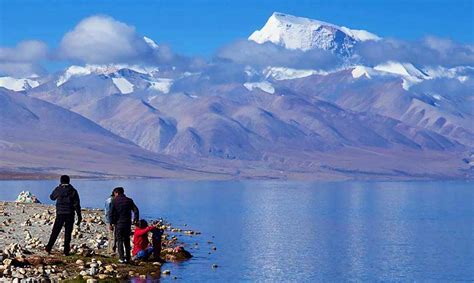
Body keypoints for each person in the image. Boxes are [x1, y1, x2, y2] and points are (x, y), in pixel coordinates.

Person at [45, 175, 82, 256]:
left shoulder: (58, 189)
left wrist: (58, 190)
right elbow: (77, 204)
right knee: (68, 233)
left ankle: (48, 248)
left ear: (61, 181)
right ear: (69, 181)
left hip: (60, 213)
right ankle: (66, 251)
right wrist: (79, 216)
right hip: (70, 214)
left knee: (55, 231)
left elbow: (52, 197)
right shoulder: (73, 190)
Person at [110, 187, 139, 263]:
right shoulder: (129, 200)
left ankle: (122, 258)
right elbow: (136, 210)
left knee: (119, 241)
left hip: (118, 223)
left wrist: (111, 223)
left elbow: (111, 213)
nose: (114, 195)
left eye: (114, 193)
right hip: (127, 223)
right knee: (126, 240)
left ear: (117, 193)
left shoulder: (114, 201)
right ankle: (128, 257)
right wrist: (136, 219)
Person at [104, 190, 116, 254]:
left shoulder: (108, 200)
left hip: (109, 220)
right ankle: (111, 251)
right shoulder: (111, 201)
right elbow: (109, 212)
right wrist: (111, 223)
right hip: (110, 220)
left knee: (111, 236)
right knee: (112, 236)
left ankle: (110, 250)